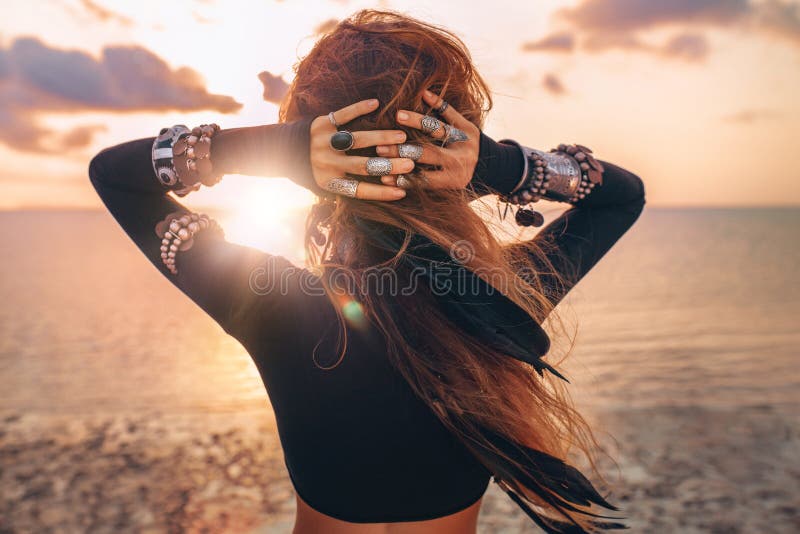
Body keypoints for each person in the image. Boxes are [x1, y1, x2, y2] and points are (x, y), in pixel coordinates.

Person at [89, 10, 645, 534]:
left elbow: (115, 176)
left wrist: (272, 149)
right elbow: (621, 198)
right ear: (462, 137)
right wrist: (499, 166)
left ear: (312, 155)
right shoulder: (501, 301)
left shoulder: (270, 304)